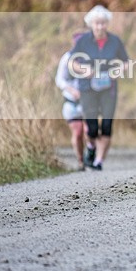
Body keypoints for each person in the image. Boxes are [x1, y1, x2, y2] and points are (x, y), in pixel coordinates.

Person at [69, 5, 130, 171]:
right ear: (91, 24)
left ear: (107, 24)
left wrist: (119, 70)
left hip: (108, 87)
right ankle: (91, 146)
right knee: (92, 126)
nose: (100, 26)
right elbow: (72, 62)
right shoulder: (83, 41)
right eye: (97, 23)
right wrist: (84, 70)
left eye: (103, 23)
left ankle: (99, 161)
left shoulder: (115, 41)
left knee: (107, 124)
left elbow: (126, 62)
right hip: (87, 87)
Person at [55, 31, 93, 170]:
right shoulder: (67, 59)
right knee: (77, 133)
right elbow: (59, 80)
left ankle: (91, 151)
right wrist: (72, 90)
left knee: (90, 131)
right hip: (71, 102)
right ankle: (81, 161)